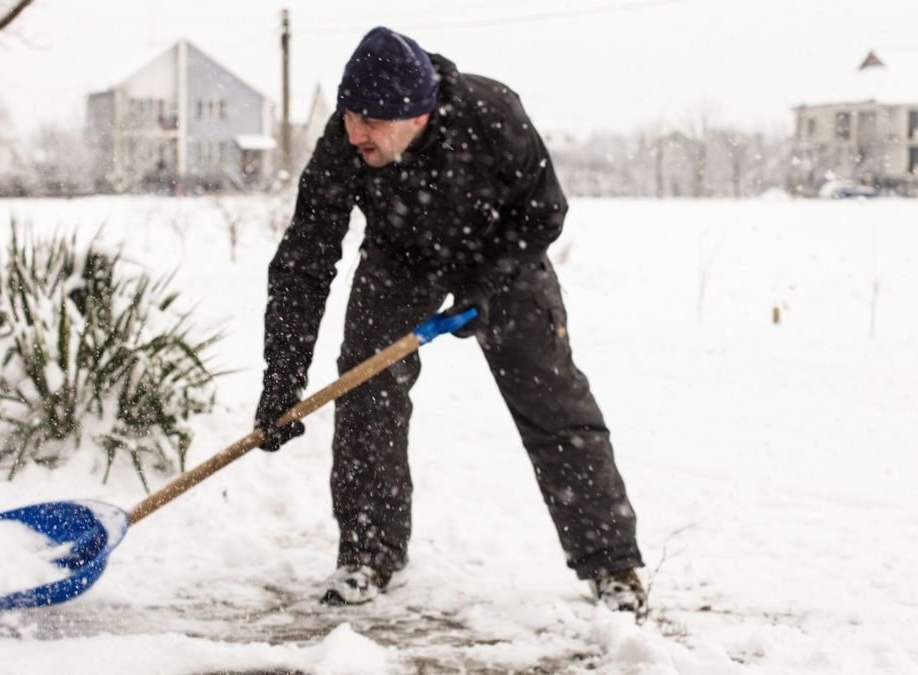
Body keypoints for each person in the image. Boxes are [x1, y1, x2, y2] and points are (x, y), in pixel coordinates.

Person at [255, 26, 646, 613]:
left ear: (417, 114)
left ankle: (613, 565)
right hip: (400, 258)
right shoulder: (344, 144)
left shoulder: (493, 116)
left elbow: (544, 212)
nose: (354, 129)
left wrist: (485, 282)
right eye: (348, 113)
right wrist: (282, 378)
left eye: (370, 118)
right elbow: (304, 258)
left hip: (501, 255)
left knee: (553, 402)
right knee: (366, 385)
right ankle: (368, 551)